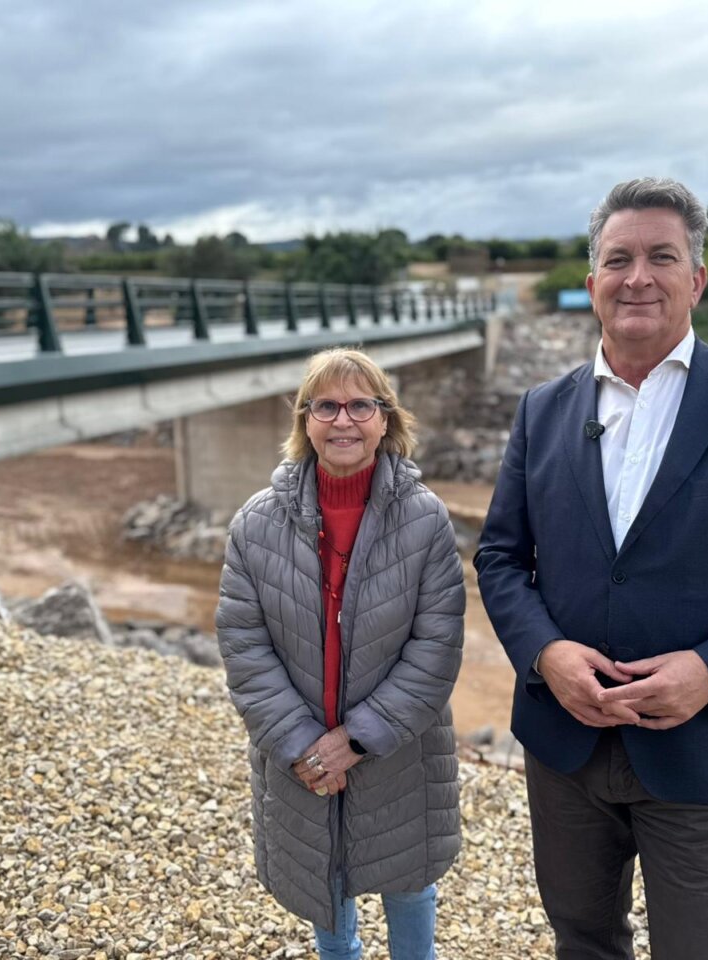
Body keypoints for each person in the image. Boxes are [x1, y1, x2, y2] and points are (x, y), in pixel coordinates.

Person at [474, 177, 708, 960]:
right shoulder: (542, 409)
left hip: (706, 750)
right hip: (566, 747)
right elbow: (501, 558)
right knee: (582, 941)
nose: (637, 276)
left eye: (661, 256)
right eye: (618, 259)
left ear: (697, 279)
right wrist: (546, 655)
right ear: (591, 286)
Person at [216, 347, 465, 960]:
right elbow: (243, 646)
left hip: (399, 749)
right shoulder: (255, 524)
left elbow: (437, 648)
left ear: (386, 419)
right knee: (327, 894)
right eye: (325, 405)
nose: (343, 420)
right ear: (305, 422)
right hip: (299, 754)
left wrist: (356, 740)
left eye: (361, 404)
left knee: (408, 889)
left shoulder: (426, 520)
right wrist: (305, 745)